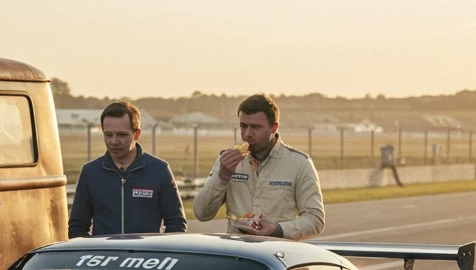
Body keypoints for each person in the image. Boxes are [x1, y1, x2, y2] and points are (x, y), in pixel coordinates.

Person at [192, 93, 325, 239]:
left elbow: (315, 219)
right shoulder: (227, 160)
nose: (248, 134)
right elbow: (201, 213)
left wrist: (276, 229)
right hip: (238, 252)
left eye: (255, 127)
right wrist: (222, 176)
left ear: (274, 128)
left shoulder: (299, 163)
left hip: (279, 253)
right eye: (243, 126)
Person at [69, 101, 186, 237]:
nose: (113, 141)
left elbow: (176, 223)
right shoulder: (90, 172)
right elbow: (77, 227)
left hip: (146, 257)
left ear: (136, 134)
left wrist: (159, 253)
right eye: (108, 135)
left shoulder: (159, 170)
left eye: (121, 135)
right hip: (104, 257)